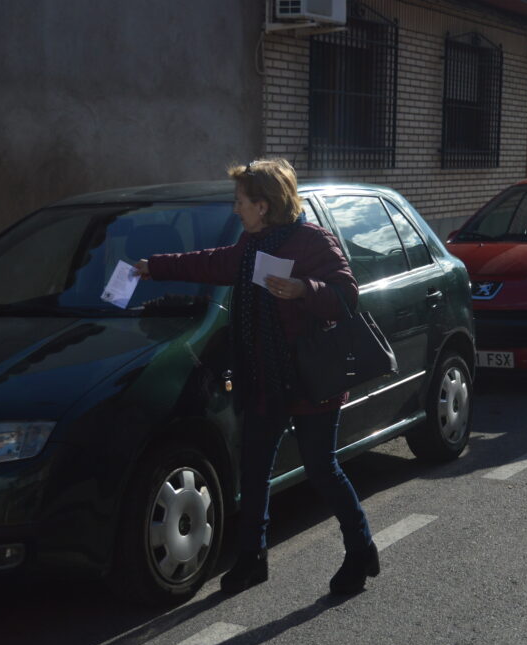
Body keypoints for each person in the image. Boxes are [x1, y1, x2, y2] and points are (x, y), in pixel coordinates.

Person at [134, 158, 379, 595]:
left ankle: (360, 550)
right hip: (263, 378)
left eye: (240, 201)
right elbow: (209, 264)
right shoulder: (250, 247)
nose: (235, 210)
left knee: (322, 469)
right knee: (254, 472)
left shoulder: (311, 241)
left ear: (263, 205)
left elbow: (347, 294)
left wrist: (305, 289)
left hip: (308, 379)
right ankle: (252, 559)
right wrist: (155, 266)